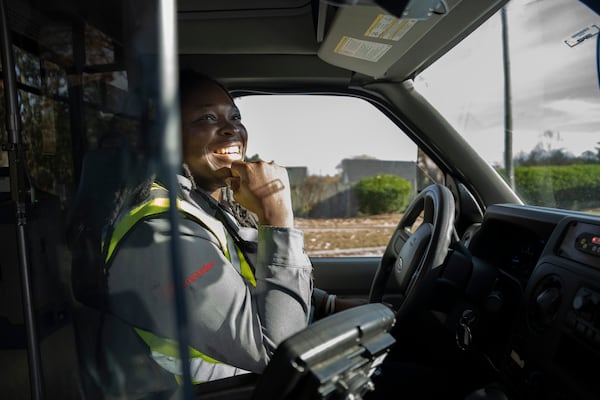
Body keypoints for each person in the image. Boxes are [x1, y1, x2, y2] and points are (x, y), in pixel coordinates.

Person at [95, 69, 358, 388]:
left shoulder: (202, 204)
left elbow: (247, 280)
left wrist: (328, 304)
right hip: (223, 391)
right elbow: (278, 355)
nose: (231, 129)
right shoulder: (161, 234)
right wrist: (276, 216)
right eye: (206, 118)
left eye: (235, 116)